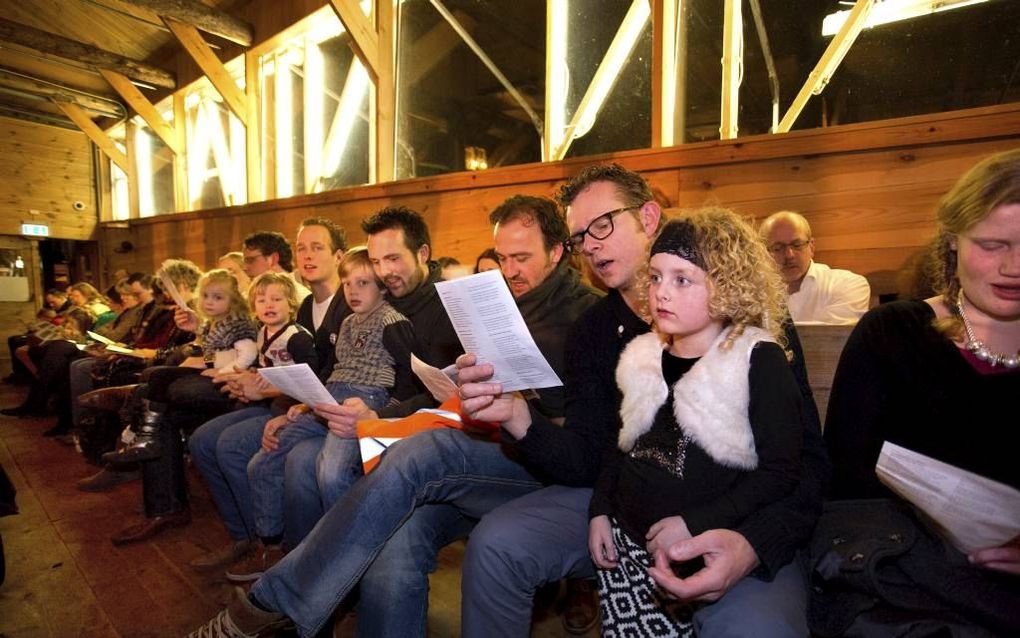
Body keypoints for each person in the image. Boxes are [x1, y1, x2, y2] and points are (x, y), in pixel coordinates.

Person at [186, 194, 600, 638]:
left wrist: (512, 405)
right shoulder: (500, 300)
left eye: (522, 258)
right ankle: (299, 602)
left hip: (538, 461)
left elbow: (577, 437)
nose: (510, 270)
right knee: (394, 545)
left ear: (557, 252)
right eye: (502, 257)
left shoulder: (587, 316)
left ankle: (273, 602)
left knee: (418, 453)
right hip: (483, 441)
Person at [459, 164, 827, 638]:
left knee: (758, 627)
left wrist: (753, 543)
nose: (589, 245)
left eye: (602, 225)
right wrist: (518, 416)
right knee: (496, 543)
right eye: (578, 238)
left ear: (649, 216)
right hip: (631, 507)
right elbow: (597, 454)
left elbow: (803, 462)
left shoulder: (754, 334)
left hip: (740, 514)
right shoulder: (598, 332)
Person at [817, 149, 1019, 635]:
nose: (1014, 266)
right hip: (902, 572)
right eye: (992, 244)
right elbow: (844, 473)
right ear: (952, 242)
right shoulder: (892, 333)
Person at [591, 211, 803, 635]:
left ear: (726, 285)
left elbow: (781, 471)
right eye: (654, 278)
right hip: (627, 552)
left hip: (698, 550)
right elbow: (622, 446)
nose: (661, 294)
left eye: (681, 280)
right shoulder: (642, 354)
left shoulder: (756, 360)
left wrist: (697, 522)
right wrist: (599, 511)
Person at [227, 247, 418, 582]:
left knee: (330, 471)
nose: (353, 291)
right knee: (263, 460)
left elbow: (409, 375)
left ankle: (344, 558)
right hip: (329, 398)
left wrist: (383, 414)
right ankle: (271, 545)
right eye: (347, 284)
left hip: (364, 399)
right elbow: (332, 371)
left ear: (383, 287)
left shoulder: (393, 322)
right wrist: (303, 404)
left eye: (363, 283)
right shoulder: (345, 322)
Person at [188, 218, 350, 571]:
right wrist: (249, 379)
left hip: (318, 410)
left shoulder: (348, 304)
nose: (307, 256)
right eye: (301, 248)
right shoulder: (307, 307)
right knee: (201, 440)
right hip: (289, 402)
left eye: (317, 247)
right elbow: (285, 368)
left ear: (339, 256)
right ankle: (244, 536)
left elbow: (330, 377)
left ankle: (272, 545)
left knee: (232, 445)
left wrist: (276, 393)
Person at [760, 211, 870, 324]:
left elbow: (833, 337)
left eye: (797, 245)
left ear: (811, 247)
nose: (789, 255)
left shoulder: (847, 284)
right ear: (763, 253)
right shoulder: (753, 292)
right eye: (778, 248)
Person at [242, 231, 311, 301]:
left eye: (250, 260)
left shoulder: (300, 297)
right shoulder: (250, 295)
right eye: (244, 261)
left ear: (273, 259)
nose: (244, 268)